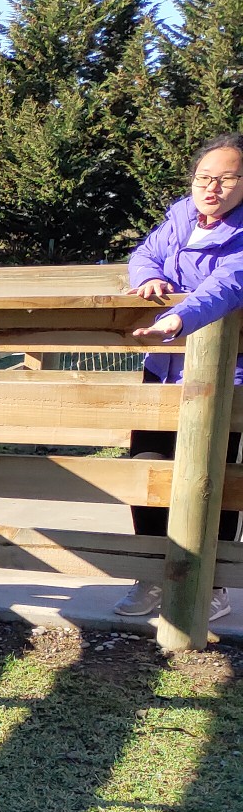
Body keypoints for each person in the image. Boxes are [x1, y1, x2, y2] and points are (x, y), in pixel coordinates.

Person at [114, 132, 243, 620]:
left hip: (224, 372)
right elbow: (145, 254)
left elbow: (228, 284)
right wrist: (146, 279)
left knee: (216, 478)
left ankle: (213, 585)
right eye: (204, 178)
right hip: (163, 368)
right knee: (147, 467)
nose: (212, 188)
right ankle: (149, 575)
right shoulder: (179, 217)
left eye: (227, 179)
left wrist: (179, 316)